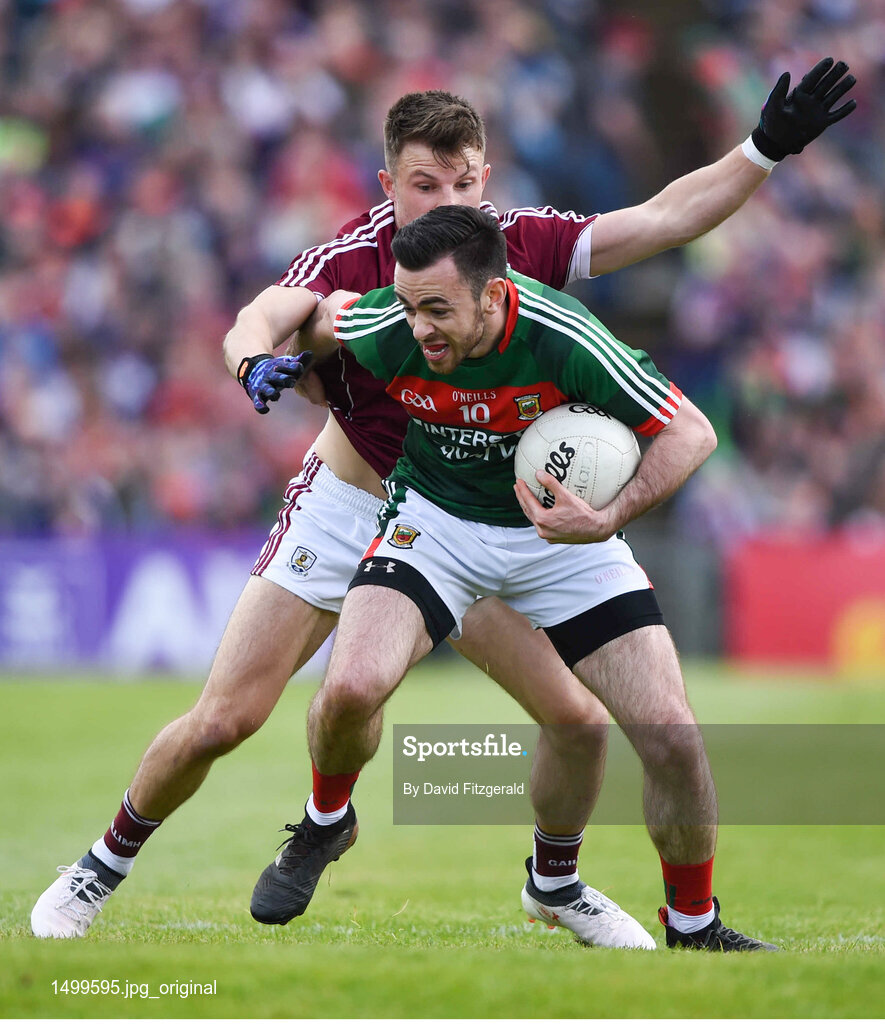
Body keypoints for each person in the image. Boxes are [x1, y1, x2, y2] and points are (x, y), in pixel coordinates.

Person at [31, 60, 855, 943]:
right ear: (390, 186)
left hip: (477, 514)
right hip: (356, 503)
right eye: (424, 185)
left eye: (463, 182)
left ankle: (557, 883)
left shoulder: (512, 249)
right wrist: (250, 362)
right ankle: (108, 866)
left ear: (485, 179)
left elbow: (660, 219)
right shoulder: (355, 263)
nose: (445, 200)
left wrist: (762, 150)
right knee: (225, 718)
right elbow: (267, 314)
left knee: (578, 722)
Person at [294, 203, 778, 950]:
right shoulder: (387, 322)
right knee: (351, 689)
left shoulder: (564, 337)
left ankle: (692, 925)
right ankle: (328, 819)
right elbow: (319, 321)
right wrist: (268, 353)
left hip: (564, 538)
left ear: (493, 296)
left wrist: (607, 516)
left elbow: (691, 433)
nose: (419, 327)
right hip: (437, 526)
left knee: (672, 738)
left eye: (437, 309)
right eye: (408, 304)